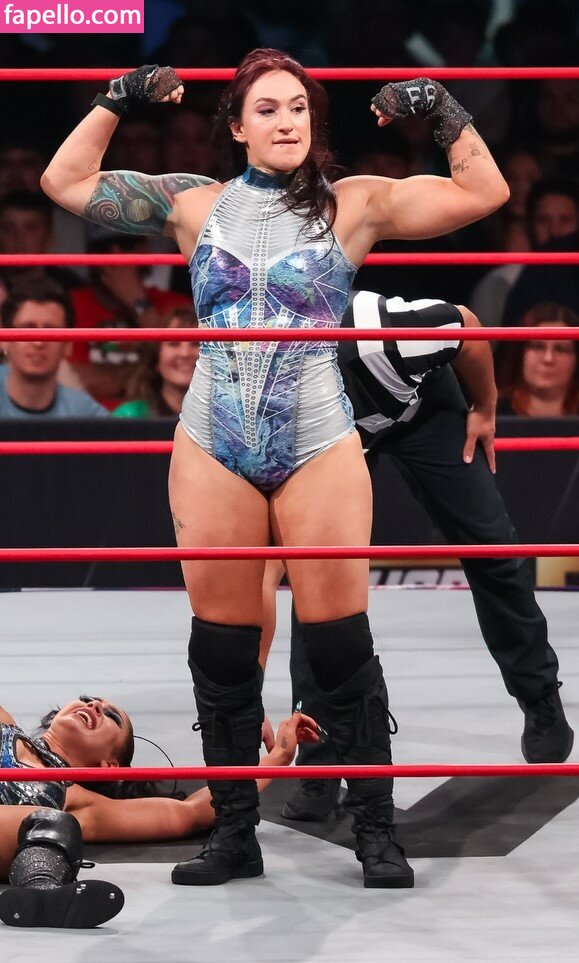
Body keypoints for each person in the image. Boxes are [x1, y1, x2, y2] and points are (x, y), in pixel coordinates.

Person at [41, 52, 509, 890]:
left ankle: (375, 830)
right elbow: (65, 182)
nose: (287, 121)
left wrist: (440, 107)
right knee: (222, 651)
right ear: (237, 125)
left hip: (315, 437)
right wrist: (118, 97)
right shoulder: (194, 202)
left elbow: (483, 192)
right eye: (267, 109)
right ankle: (233, 833)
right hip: (212, 440)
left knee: (340, 644)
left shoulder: (352, 202)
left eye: (298, 107)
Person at [257, 289, 574, 821]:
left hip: (423, 409)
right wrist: (251, 685)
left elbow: (465, 325)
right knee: (316, 578)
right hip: (333, 442)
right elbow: (270, 571)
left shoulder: (380, 335)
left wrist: (484, 407)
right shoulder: (268, 403)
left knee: (494, 549)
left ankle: (540, 697)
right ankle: (319, 760)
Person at [0, 692, 319, 927]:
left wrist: (277, 759)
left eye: (111, 717)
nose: (94, 706)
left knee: (53, 824)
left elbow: (189, 812)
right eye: (88, 699)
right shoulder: (5, 722)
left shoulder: (77, 797)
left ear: (109, 765)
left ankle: (41, 894)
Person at [0, 279, 108, 419]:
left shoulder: (88, 416)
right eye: (28, 328)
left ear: (68, 345)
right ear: (4, 340)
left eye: (51, 331)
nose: (38, 343)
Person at [113, 306, 199, 418]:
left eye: (196, 344)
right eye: (174, 344)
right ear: (156, 357)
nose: (185, 353)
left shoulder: (222, 416)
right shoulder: (130, 416)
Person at [496, 302, 579, 417]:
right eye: (538, 346)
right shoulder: (491, 412)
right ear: (521, 353)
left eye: (561, 349)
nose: (548, 359)